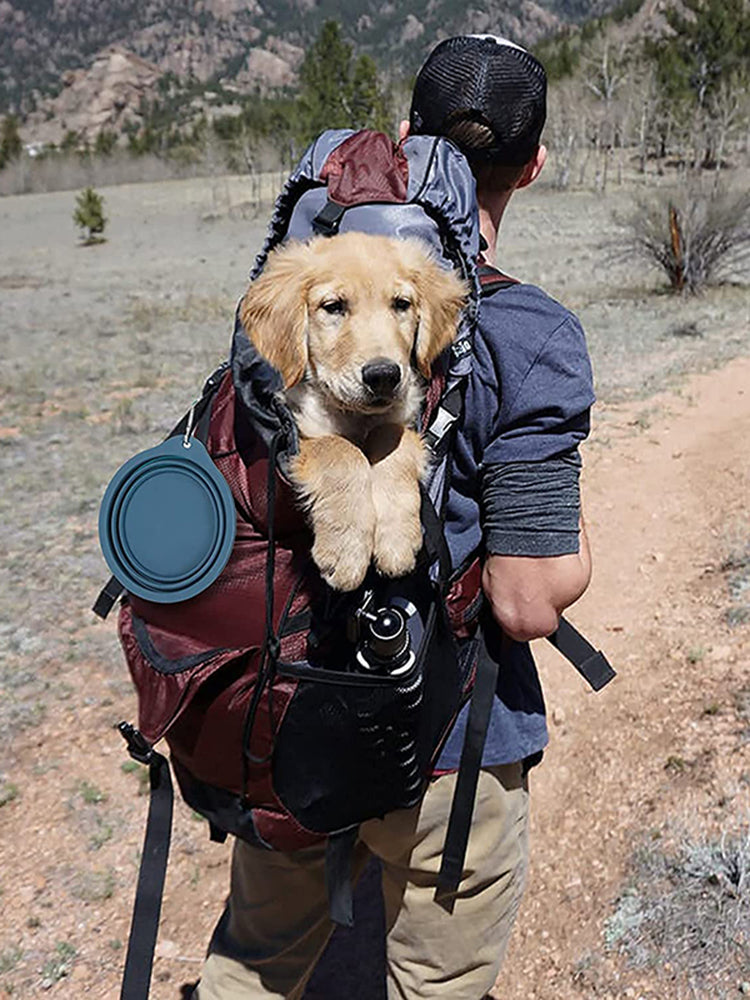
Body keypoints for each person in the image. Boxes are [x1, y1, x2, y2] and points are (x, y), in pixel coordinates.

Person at [194, 34, 594, 1000]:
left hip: (283, 698)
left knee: (254, 960)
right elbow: (529, 597)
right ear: (534, 167)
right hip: (451, 738)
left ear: (408, 139)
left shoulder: (306, 290)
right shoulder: (530, 332)